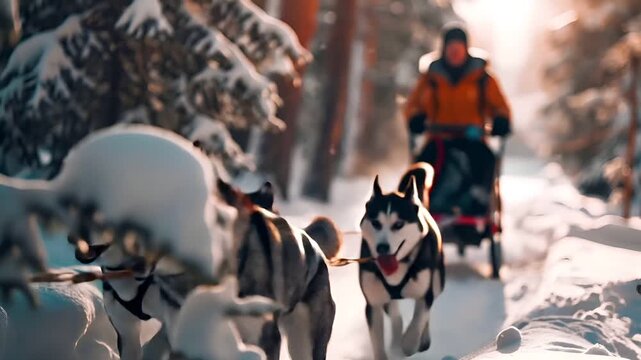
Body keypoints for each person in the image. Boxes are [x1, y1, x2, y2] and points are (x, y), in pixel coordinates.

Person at [404, 23, 512, 215]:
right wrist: (415, 118)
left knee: (486, 160)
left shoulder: (483, 78)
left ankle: (478, 200)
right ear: (444, 49)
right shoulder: (430, 78)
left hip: (473, 138)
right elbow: (413, 105)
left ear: (466, 49)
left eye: (458, 48)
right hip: (439, 139)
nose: (455, 52)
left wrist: (501, 120)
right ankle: (419, 206)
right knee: (421, 167)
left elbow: (501, 107)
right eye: (451, 48)